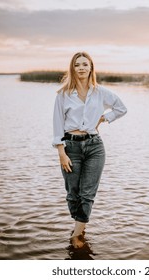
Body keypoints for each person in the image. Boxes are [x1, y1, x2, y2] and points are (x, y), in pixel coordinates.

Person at [52, 52, 127, 248]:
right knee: (72, 193)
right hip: (71, 147)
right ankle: (80, 223)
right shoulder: (63, 95)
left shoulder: (100, 92)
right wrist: (61, 152)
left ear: (91, 68)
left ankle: (77, 234)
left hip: (95, 147)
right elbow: (57, 125)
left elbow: (121, 108)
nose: (82, 68)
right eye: (78, 65)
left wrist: (104, 118)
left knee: (87, 193)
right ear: (73, 69)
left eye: (86, 64)